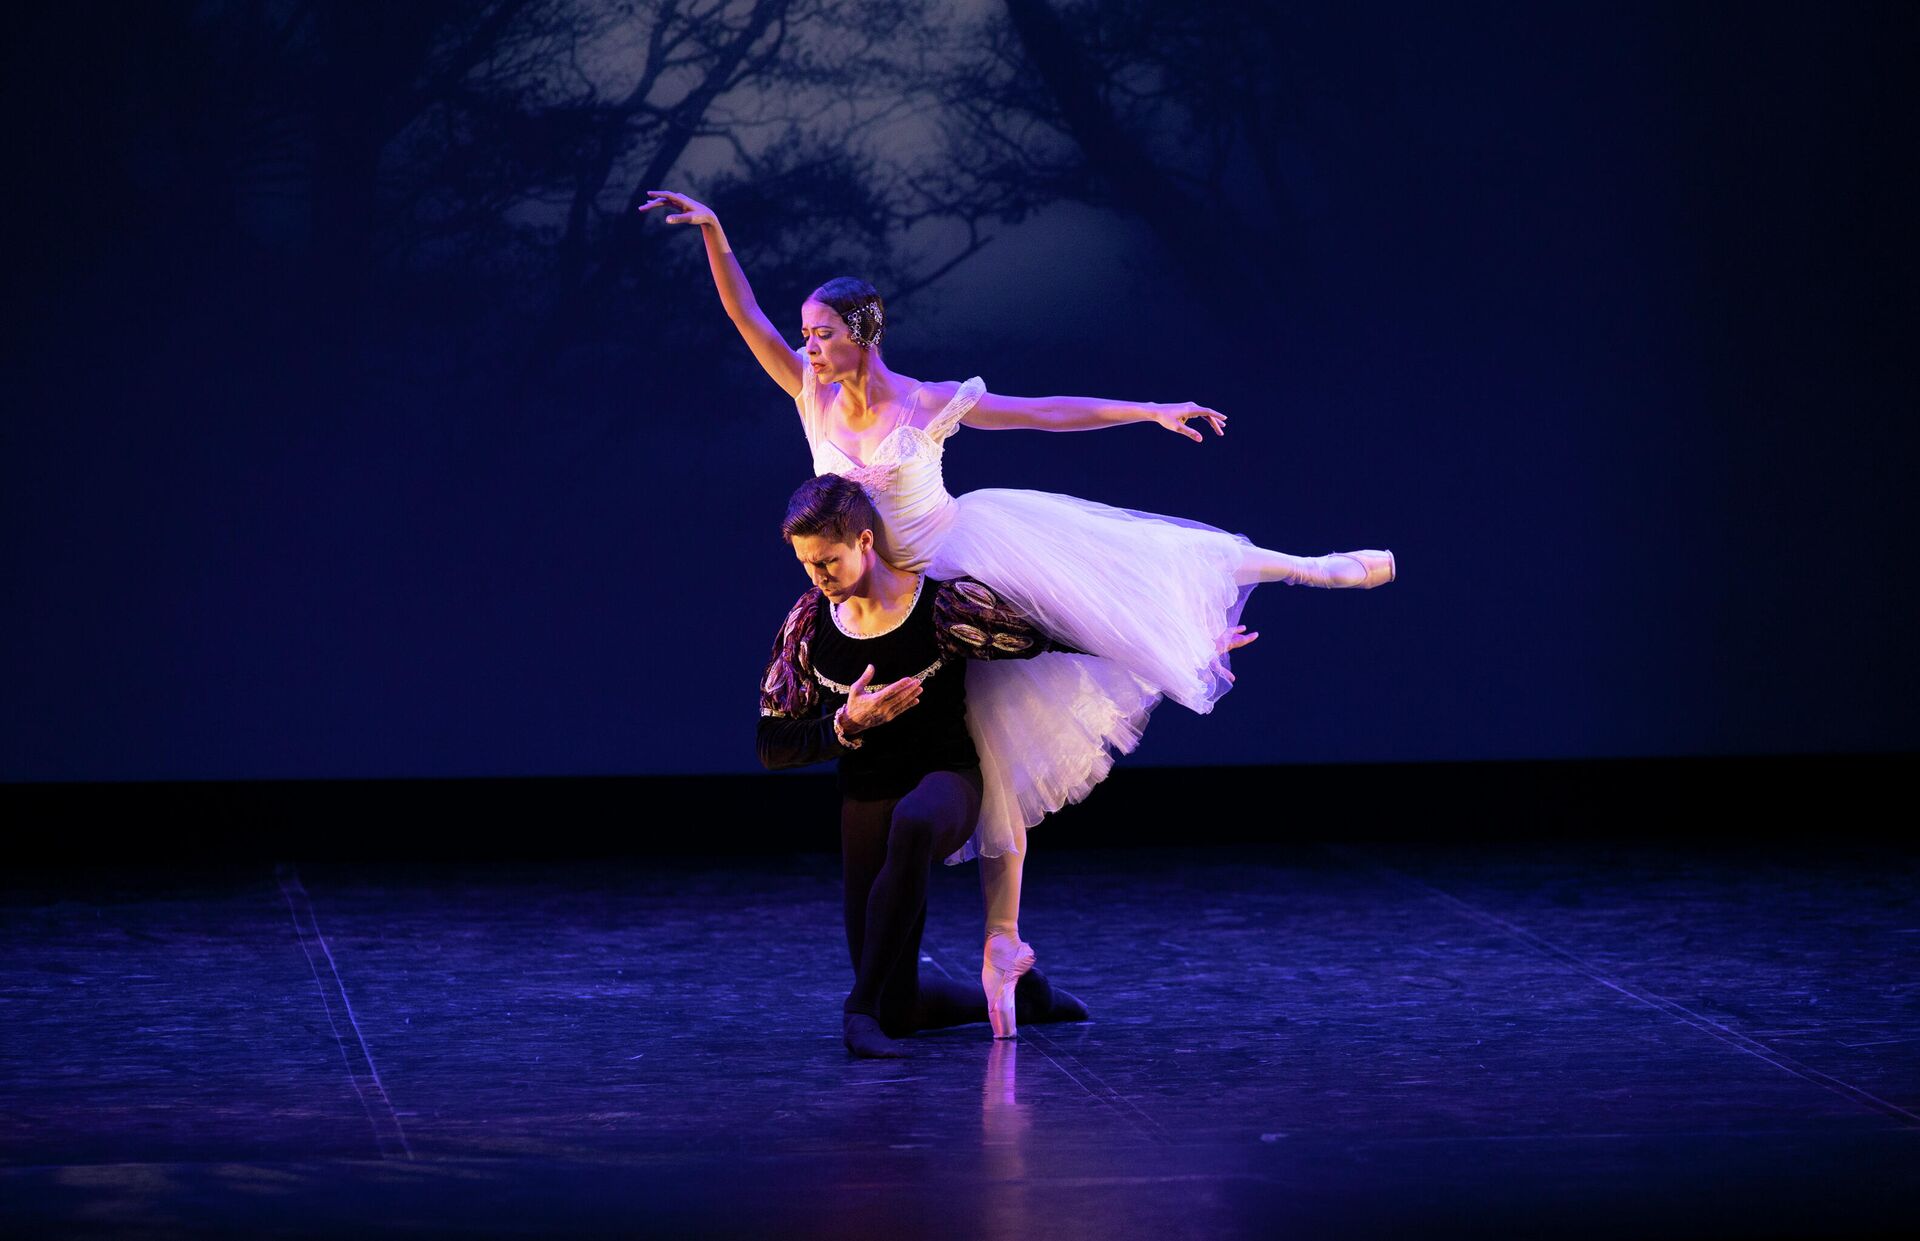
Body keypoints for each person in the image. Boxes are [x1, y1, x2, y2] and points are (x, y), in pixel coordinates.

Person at [645, 188, 1393, 1028]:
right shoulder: (808, 396)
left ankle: (1305, 567)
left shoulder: (923, 403)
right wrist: (716, 235)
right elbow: (746, 319)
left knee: (1114, 586)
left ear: (863, 334)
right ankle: (1002, 950)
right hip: (884, 599)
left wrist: (1146, 410)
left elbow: (1041, 414)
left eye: (822, 332)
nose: (808, 345)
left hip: (954, 573)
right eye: (807, 333)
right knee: (995, 766)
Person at [758, 474, 1091, 1056]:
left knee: (912, 822)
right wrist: (845, 725)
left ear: (865, 541)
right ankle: (1027, 999)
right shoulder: (809, 626)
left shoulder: (940, 606)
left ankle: (854, 1011)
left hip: (947, 782)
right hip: (865, 797)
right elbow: (772, 741)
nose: (818, 578)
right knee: (901, 1008)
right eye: (807, 565)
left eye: (828, 561)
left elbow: (1053, 630)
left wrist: (1171, 647)